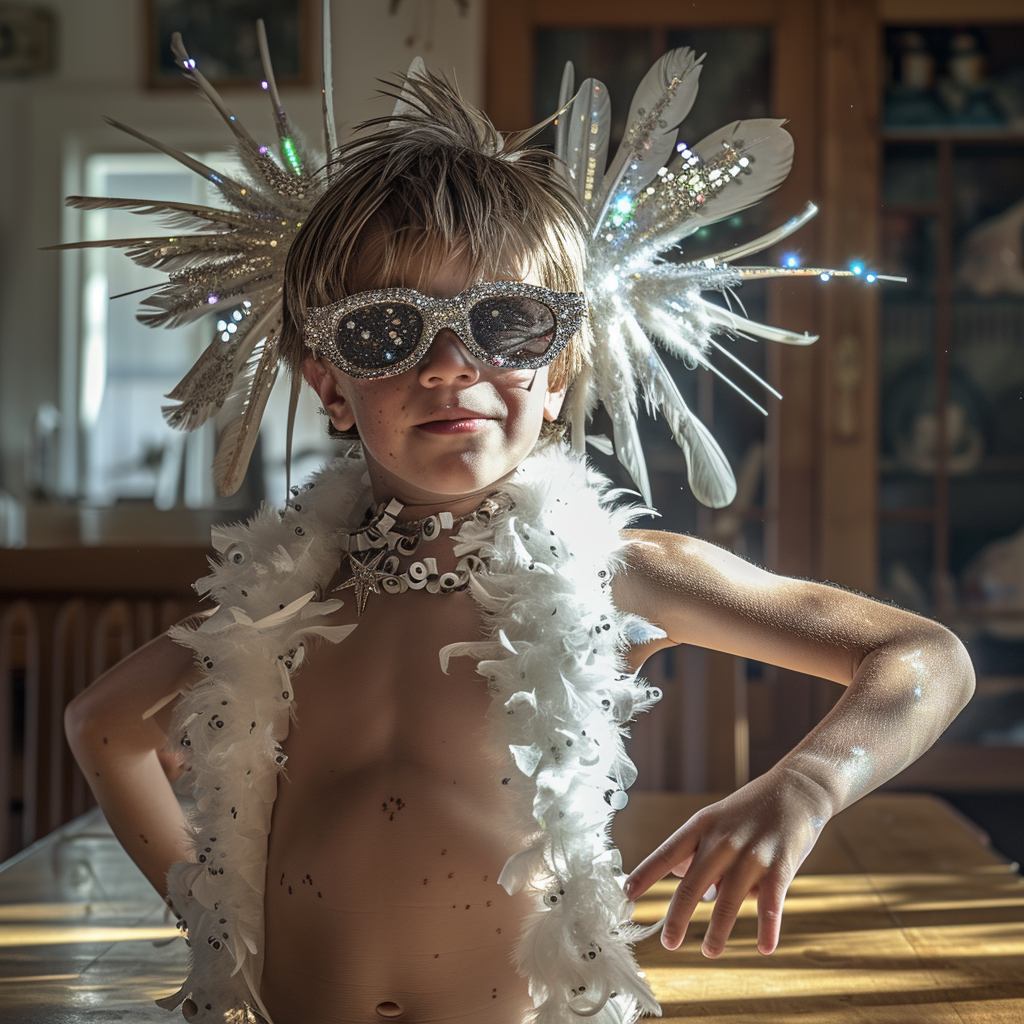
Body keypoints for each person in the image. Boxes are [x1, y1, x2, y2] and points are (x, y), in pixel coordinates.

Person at [63, 40, 974, 1024]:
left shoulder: (617, 572)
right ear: (327, 379)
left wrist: (807, 781)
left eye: (505, 322)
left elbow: (924, 654)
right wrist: (217, 927)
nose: (451, 366)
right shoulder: (286, 600)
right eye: (385, 330)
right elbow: (104, 728)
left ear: (558, 371)